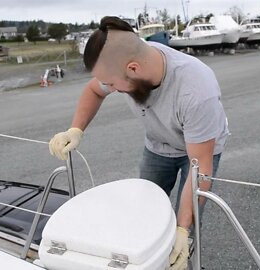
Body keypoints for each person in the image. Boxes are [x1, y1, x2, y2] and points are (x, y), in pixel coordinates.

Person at [49, 16, 229, 270]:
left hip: (200, 152)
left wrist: (181, 229)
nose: (109, 88)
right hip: (158, 146)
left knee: (186, 225)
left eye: (112, 83)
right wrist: (76, 129)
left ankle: (186, 261)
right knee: (145, 213)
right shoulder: (125, 65)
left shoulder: (196, 90)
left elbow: (202, 167)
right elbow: (94, 90)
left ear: (133, 68)